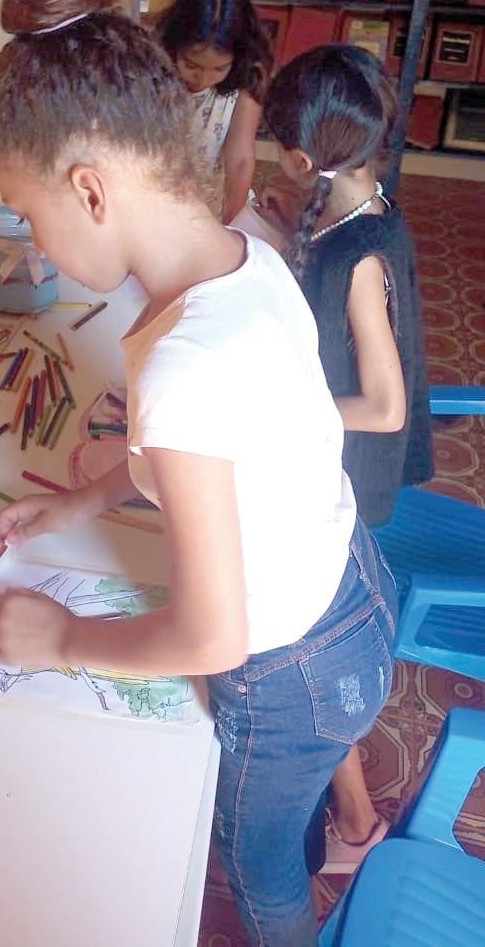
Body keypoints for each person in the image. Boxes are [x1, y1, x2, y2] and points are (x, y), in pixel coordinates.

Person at [0, 0, 397, 947]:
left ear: (88, 189)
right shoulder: (249, 253)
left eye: (29, 216)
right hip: (354, 590)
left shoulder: (177, 365)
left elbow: (209, 636)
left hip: (287, 673)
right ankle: (318, 826)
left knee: (255, 876)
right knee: (277, 830)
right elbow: (237, 446)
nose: (33, 243)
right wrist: (82, 499)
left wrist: (61, 638)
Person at [264, 44, 433, 874]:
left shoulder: (358, 256)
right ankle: (353, 808)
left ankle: (356, 824)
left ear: (304, 159)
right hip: (331, 460)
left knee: (309, 653)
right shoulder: (356, 205)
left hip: (346, 480)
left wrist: (283, 409)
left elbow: (386, 404)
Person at [155, 0, 271, 221]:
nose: (203, 79)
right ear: (174, 44)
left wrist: (230, 223)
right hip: (158, 195)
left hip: (214, 199)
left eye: (219, 69)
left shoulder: (248, 75)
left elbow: (239, 160)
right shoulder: (151, 68)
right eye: (191, 65)